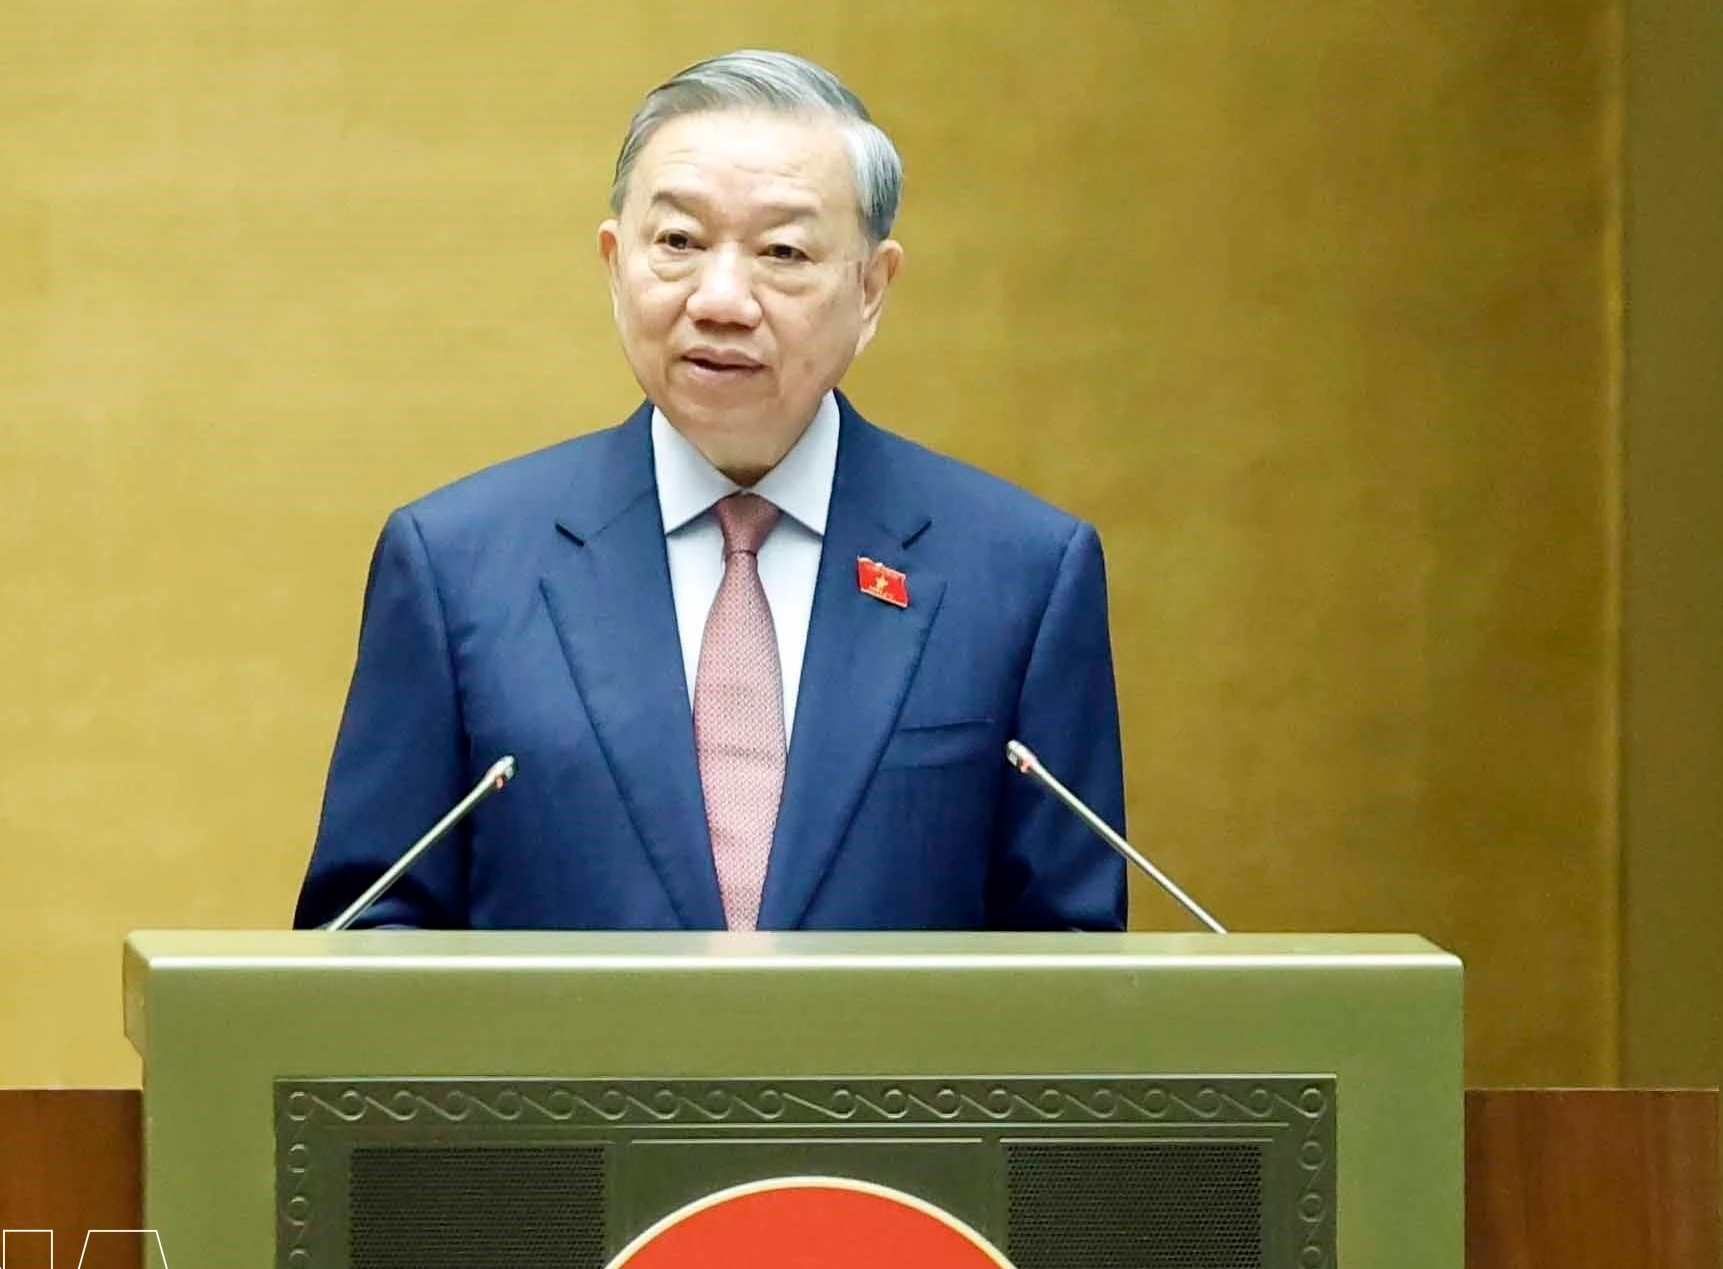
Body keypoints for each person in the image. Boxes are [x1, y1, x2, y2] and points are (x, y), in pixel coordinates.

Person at [294, 49, 1126, 932]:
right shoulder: (454, 563)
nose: (722, 298)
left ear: (871, 288)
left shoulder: (1021, 574)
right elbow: (364, 938)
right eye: (679, 243)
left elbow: (1069, 968)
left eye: (782, 251)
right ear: (616, 263)